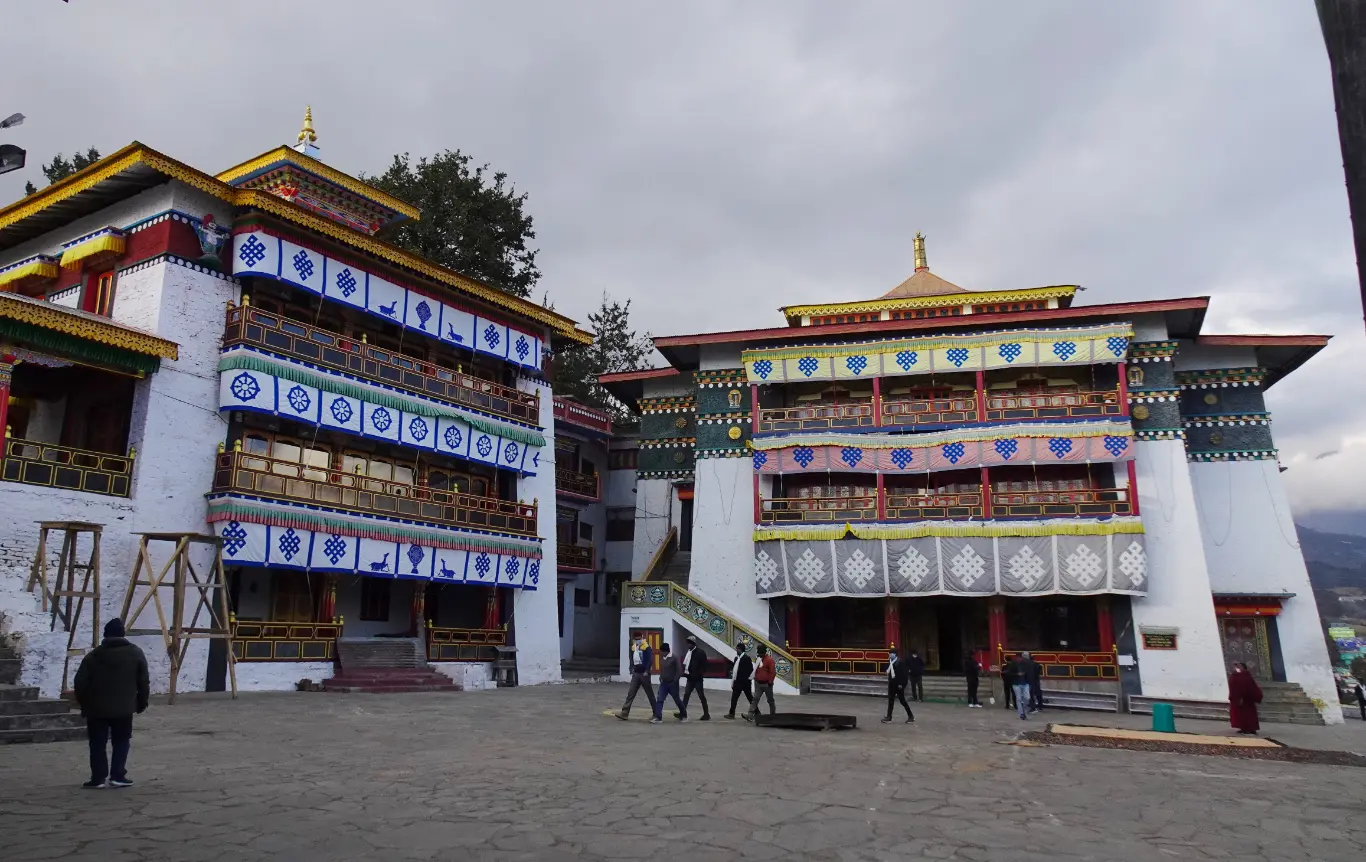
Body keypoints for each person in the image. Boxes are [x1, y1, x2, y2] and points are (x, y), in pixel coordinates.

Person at [72, 618, 149, 789]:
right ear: (123, 634)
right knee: (121, 741)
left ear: (105, 635)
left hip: (96, 708)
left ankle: (98, 778)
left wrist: (85, 703)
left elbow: (80, 682)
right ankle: (118, 775)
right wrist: (141, 702)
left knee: (97, 743)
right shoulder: (135, 653)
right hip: (124, 708)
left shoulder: (93, 655)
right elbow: (143, 682)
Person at [617, 632, 657, 721]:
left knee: (650, 694)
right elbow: (632, 658)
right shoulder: (634, 647)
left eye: (639, 639)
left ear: (642, 637)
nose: (638, 640)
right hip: (636, 673)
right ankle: (624, 713)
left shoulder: (646, 647)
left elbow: (650, 660)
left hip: (644, 674)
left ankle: (656, 713)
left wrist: (647, 670)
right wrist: (632, 667)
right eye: (636, 639)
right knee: (631, 693)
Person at [679, 635, 711, 721]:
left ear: (693, 644)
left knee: (701, 696)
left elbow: (704, 666)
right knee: (686, 695)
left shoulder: (700, 653)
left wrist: (698, 674)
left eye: (689, 643)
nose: (687, 645)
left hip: (697, 679)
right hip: (690, 678)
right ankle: (682, 713)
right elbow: (686, 665)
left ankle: (706, 714)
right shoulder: (689, 652)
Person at [881, 646, 914, 724]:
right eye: (890, 653)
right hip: (891, 684)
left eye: (891, 653)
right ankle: (889, 717)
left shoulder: (900, 663)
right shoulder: (890, 662)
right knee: (891, 701)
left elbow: (904, 675)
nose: (890, 655)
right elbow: (887, 671)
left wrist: (902, 684)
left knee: (902, 701)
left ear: (895, 654)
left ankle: (911, 716)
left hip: (899, 685)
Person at [744, 645, 777, 721]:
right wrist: (755, 679)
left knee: (770, 700)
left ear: (764, 652)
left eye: (761, 653)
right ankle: (750, 715)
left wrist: (770, 681)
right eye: (759, 653)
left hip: (767, 684)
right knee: (755, 699)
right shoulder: (758, 659)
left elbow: (772, 672)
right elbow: (756, 670)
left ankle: (773, 716)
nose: (759, 654)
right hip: (758, 684)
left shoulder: (769, 660)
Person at [1228, 662, 1263, 734]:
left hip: (1246, 698)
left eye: (1239, 667)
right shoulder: (1236, 675)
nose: (1237, 668)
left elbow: (1250, 686)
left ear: (1243, 668)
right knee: (1241, 715)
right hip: (1239, 698)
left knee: (1248, 714)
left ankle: (1251, 729)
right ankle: (1244, 728)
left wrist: (1243, 696)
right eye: (1236, 667)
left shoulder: (1246, 676)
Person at [655, 643, 686, 723]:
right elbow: (662, 668)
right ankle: (658, 717)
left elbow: (679, 671)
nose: (660, 653)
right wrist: (661, 676)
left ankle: (684, 715)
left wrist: (675, 681)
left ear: (666, 651)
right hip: (664, 683)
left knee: (677, 700)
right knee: (660, 699)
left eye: (661, 651)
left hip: (673, 684)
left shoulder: (674, 658)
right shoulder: (662, 657)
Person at [725, 641, 754, 719]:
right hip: (737, 682)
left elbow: (750, 670)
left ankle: (757, 713)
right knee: (734, 698)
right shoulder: (736, 658)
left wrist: (746, 680)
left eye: (737, 649)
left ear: (740, 649)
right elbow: (735, 670)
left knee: (750, 698)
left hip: (745, 683)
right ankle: (731, 713)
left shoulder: (746, 658)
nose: (736, 650)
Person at [1002, 653, 1030, 720]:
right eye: (1018, 658)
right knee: (1019, 698)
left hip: (1025, 683)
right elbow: (1009, 673)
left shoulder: (1025, 664)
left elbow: (1029, 673)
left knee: (1027, 698)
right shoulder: (1013, 665)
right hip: (1016, 683)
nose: (1019, 659)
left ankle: (1024, 710)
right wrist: (1017, 674)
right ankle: (1021, 714)